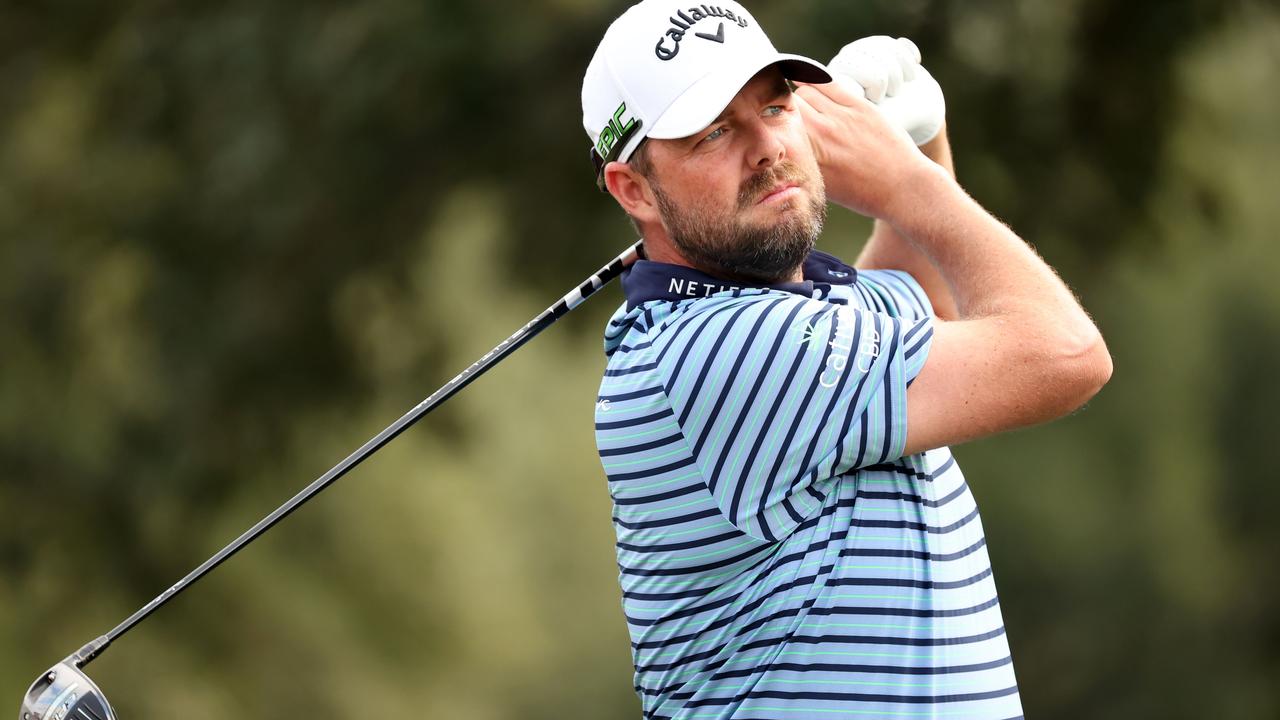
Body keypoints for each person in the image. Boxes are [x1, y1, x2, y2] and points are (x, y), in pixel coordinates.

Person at [583, 2, 1112, 718]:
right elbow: (1066, 353)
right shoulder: (716, 354)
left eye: (774, 107)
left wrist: (924, 141)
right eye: (713, 132)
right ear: (634, 189)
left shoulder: (810, 318)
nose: (765, 147)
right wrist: (906, 183)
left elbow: (928, 293)